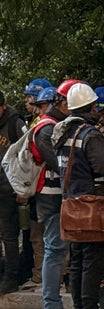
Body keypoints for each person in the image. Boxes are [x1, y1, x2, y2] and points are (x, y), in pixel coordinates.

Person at [52, 82, 104, 309]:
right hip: (94, 208)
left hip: (72, 206)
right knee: (93, 263)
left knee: (77, 261)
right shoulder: (90, 135)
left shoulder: (63, 134)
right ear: (91, 107)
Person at [32, 80, 79, 309]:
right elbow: (58, 164)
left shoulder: (50, 125)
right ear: (62, 103)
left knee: (57, 250)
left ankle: (54, 306)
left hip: (52, 195)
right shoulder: (47, 129)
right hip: (51, 196)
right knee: (54, 250)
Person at [0, 90, 28, 295]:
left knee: (9, 235)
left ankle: (11, 278)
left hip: (8, 188)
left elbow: (28, 155)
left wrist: (22, 187)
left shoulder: (15, 122)